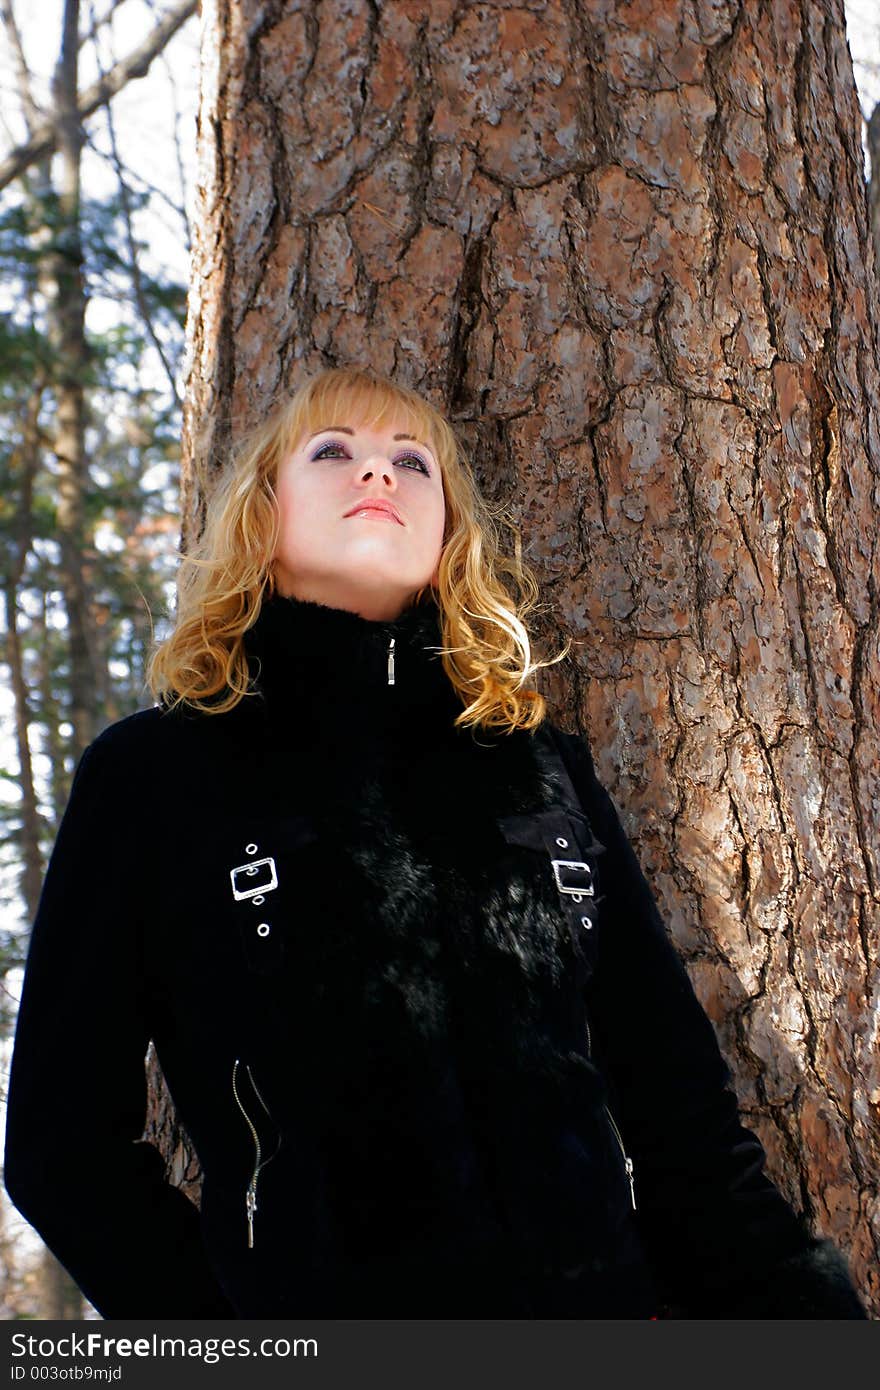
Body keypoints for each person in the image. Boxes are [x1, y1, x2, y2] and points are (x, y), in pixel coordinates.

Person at [3, 367, 868, 1320]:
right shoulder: (154, 770)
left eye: (412, 462)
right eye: (333, 451)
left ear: (448, 528)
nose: (379, 475)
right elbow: (59, 1146)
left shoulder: (540, 767)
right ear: (261, 512)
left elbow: (675, 1107)